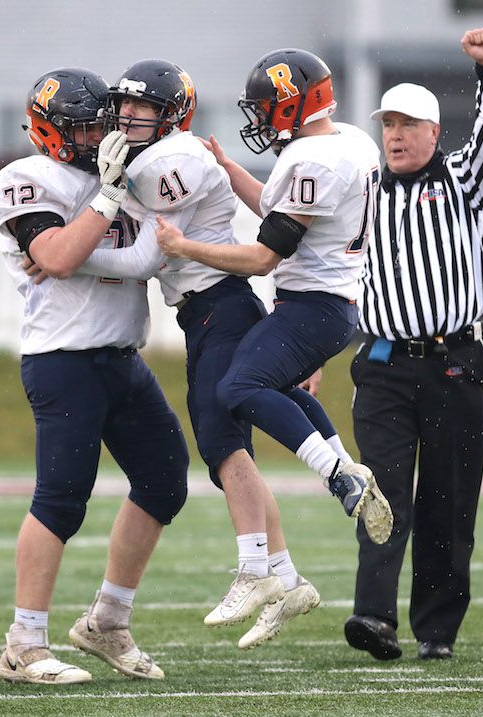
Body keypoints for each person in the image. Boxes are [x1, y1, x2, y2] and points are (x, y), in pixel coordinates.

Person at [58, 59, 329, 651]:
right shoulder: (154, 158)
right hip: (210, 311)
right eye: (124, 106)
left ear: (171, 115)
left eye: (142, 109)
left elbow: (143, 259)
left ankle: (256, 569)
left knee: (219, 439)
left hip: (219, 307)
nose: (127, 117)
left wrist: (72, 254)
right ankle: (287, 578)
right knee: (231, 449)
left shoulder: (168, 162)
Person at [0, 67, 189, 684]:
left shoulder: (124, 175)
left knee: (164, 480)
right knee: (61, 500)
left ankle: (107, 619)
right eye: (79, 127)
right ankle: (23, 643)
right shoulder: (26, 178)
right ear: (49, 131)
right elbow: (57, 255)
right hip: (63, 359)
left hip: (123, 357)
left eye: (100, 122)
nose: (96, 134)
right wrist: (105, 195)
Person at [153, 48, 394, 549]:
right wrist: (228, 167)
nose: (260, 116)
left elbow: (264, 257)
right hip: (328, 302)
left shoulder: (313, 161)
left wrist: (184, 247)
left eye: (266, 106)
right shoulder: (348, 140)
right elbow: (274, 204)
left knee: (238, 389)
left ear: (293, 105)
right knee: (275, 386)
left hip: (315, 305)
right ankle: (345, 465)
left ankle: (335, 474)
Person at [344, 28, 483, 662]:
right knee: (381, 492)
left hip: (454, 362)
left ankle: (436, 631)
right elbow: (294, 231)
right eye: (389, 123)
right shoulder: (362, 189)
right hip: (383, 364)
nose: (396, 134)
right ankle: (374, 617)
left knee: (446, 500)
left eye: (409, 124)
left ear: (435, 133)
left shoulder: (465, 179)